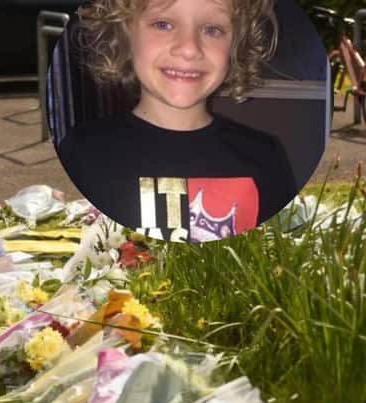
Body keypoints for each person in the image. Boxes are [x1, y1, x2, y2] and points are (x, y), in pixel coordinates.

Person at [55, 0, 298, 243]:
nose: (189, 49)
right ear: (126, 31)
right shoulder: (82, 151)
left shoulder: (266, 157)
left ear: (236, 42)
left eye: (212, 29)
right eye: (163, 24)